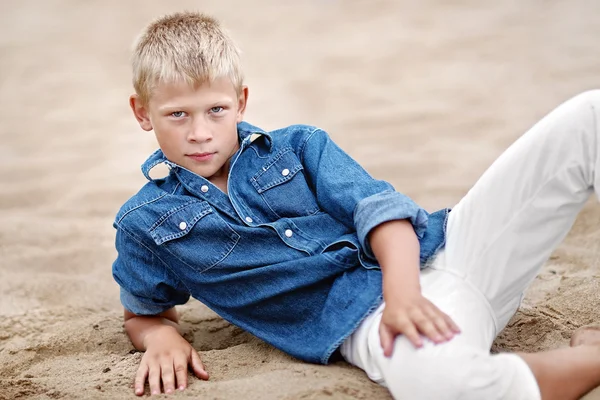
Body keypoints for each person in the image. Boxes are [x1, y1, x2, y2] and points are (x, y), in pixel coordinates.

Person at [112, 10, 600, 400]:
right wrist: (161, 338)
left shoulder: (298, 146)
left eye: (215, 110)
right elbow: (145, 312)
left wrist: (406, 295)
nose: (199, 132)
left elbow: (381, 212)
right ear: (142, 112)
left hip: (451, 252)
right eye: (177, 115)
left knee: (588, 117)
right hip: (364, 321)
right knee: (449, 388)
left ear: (240, 101)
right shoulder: (145, 224)